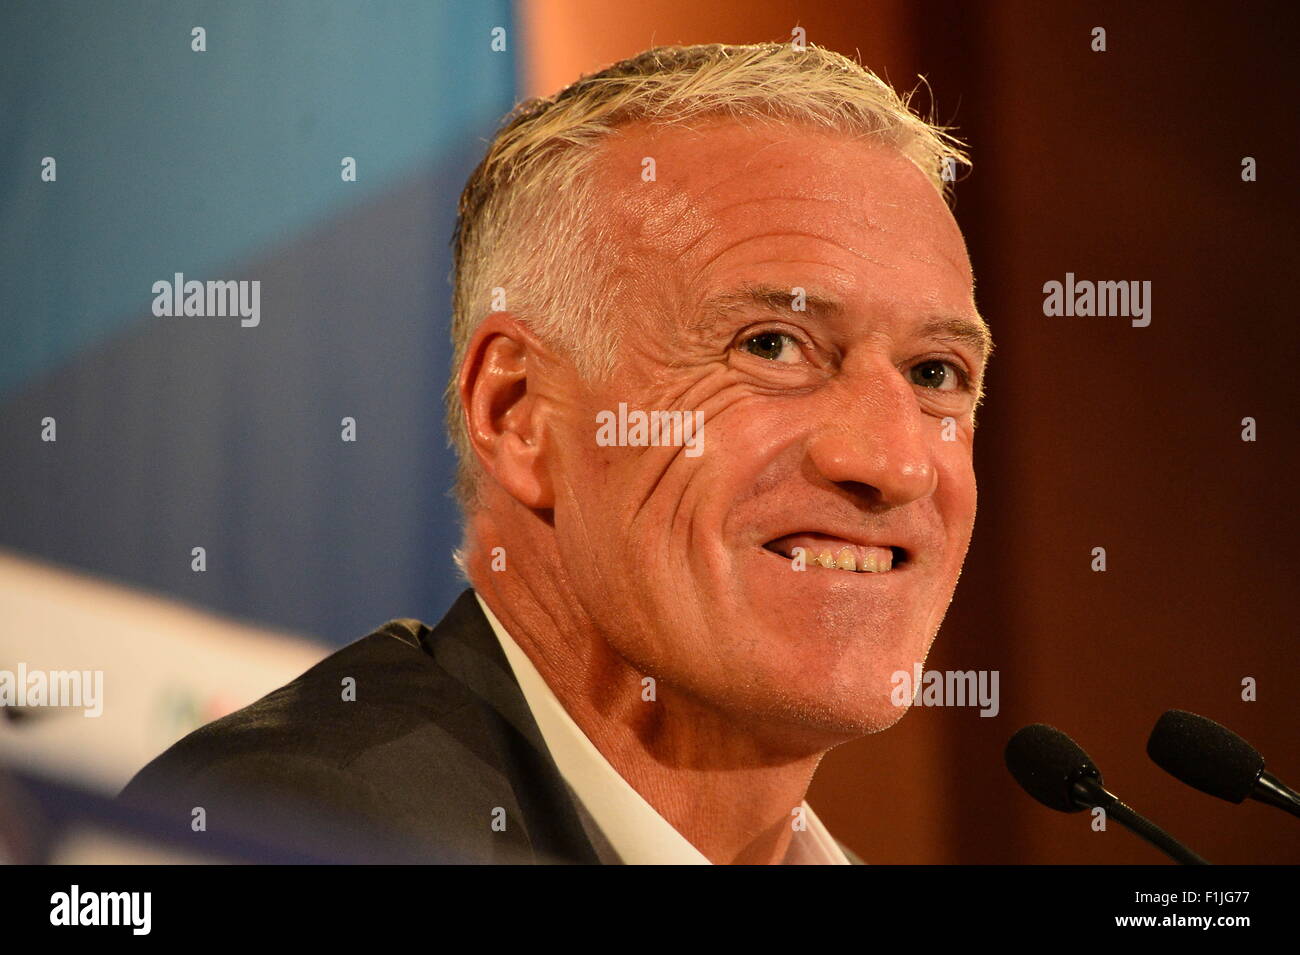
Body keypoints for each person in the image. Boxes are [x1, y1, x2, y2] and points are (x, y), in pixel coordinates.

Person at [120, 41, 992, 865]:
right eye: (771, 345)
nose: (897, 462)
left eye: (936, 371)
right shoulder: (293, 831)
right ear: (519, 412)